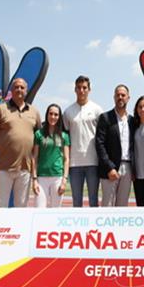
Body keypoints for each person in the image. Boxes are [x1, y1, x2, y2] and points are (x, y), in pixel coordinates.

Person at [0, 77, 41, 207]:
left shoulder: (34, 112)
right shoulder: (0, 110)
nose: (19, 90)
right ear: (11, 90)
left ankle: (19, 229)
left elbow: (39, 137)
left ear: (26, 91)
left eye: (22, 87)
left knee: (21, 208)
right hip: (3, 168)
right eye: (16, 87)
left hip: (25, 169)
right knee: (1, 208)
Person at [63, 76, 103, 207]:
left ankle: (94, 227)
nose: (82, 90)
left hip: (93, 161)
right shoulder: (68, 112)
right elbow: (65, 137)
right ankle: (78, 227)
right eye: (79, 88)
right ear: (75, 89)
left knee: (93, 200)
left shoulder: (97, 110)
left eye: (84, 87)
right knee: (76, 201)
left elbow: (102, 136)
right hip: (74, 163)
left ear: (89, 90)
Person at [95, 84, 135, 207]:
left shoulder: (132, 120)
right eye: (117, 95)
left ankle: (120, 228)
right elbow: (99, 144)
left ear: (128, 98)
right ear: (114, 97)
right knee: (107, 205)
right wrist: (109, 167)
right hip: (110, 169)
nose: (120, 97)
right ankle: (105, 228)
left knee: (122, 206)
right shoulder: (105, 118)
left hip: (127, 167)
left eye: (123, 95)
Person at [32, 104, 70, 208]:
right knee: (40, 210)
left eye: (56, 115)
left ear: (59, 117)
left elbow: (66, 159)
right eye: (51, 114)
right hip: (41, 178)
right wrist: (34, 180)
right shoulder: (38, 134)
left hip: (57, 177)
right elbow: (34, 158)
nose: (53, 117)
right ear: (47, 115)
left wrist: (64, 180)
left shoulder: (64, 136)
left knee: (56, 212)